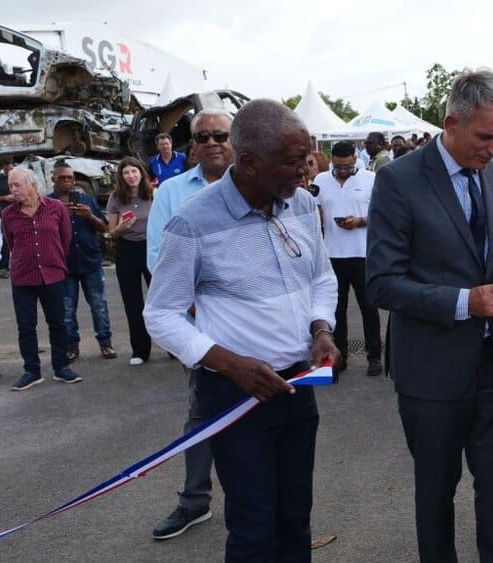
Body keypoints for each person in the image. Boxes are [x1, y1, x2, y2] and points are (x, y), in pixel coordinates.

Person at [144, 99, 340, 561]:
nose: (305, 170)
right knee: (253, 529)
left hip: (296, 388)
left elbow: (321, 278)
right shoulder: (192, 221)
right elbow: (162, 314)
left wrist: (321, 327)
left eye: (307, 158)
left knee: (294, 518)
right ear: (249, 162)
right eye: (294, 161)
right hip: (236, 396)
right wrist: (229, 364)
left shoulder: (302, 203)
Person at [366, 67, 493, 563]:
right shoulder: (397, 179)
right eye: (486, 137)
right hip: (431, 373)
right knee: (436, 493)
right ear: (451, 122)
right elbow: (381, 281)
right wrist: (464, 302)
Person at [146, 109, 235, 541]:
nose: (214, 141)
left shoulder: (258, 187)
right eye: (205, 136)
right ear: (192, 145)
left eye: (222, 134)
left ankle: (252, 500)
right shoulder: (172, 191)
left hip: (255, 326)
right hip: (198, 328)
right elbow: (158, 256)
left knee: (259, 412)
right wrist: (197, 307)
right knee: (203, 412)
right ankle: (194, 501)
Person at [3, 168, 84, 390]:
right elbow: (11, 244)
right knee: (26, 326)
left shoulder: (56, 208)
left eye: (17, 185)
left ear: (33, 185)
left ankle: (61, 367)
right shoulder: (9, 214)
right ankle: (32, 371)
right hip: (23, 278)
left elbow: (65, 239)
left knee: (57, 322)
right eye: (11, 186)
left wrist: (53, 260)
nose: (13, 190)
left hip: (52, 275)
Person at [314, 141, 382, 377]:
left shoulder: (370, 179)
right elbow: (315, 211)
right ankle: (339, 356)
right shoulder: (321, 180)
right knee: (336, 309)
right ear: (331, 160)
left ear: (355, 159)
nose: (342, 171)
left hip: (363, 254)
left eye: (347, 166)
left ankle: (374, 356)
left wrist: (360, 222)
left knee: (368, 307)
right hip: (332, 254)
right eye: (338, 166)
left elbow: (383, 215)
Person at [50, 161, 115, 361]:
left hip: (90, 260)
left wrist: (89, 216)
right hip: (64, 263)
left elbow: (104, 227)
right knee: (67, 309)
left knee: (99, 305)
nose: (67, 181)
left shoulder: (85, 199)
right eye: (62, 178)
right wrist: (61, 214)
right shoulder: (48, 203)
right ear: (53, 179)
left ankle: (105, 344)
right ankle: (72, 346)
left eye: (70, 177)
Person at [107, 156, 154, 366]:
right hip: (127, 250)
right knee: (133, 302)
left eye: (134, 171)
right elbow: (111, 233)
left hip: (152, 248)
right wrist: (121, 228)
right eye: (126, 172)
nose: (131, 175)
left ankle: (173, 347)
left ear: (140, 173)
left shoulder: (153, 193)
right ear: (121, 176)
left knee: (162, 300)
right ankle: (140, 350)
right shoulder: (116, 198)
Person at [0, 158, 15, 278]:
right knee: (6, 239)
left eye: (11, 168)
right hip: (5, 212)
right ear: (2, 167)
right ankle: (3, 268)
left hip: (20, 210)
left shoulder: (17, 176)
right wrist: (5, 198)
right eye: (6, 169)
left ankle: (22, 265)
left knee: (22, 237)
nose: (9, 171)